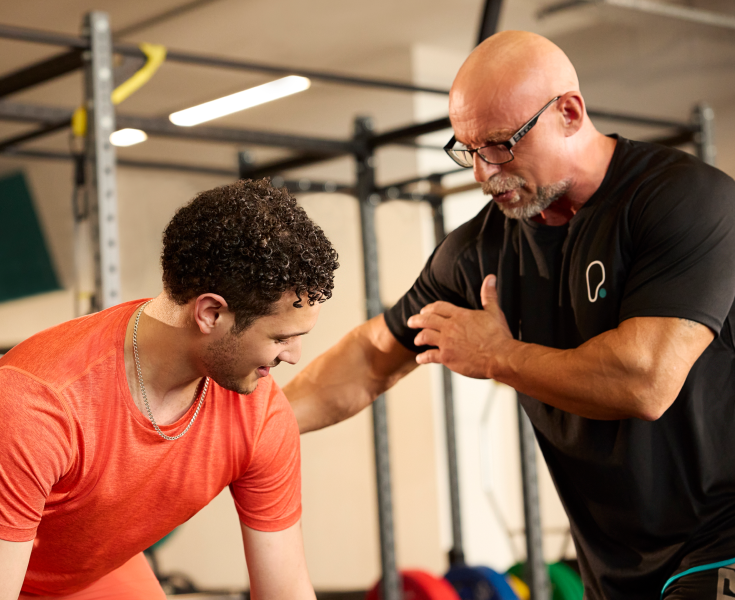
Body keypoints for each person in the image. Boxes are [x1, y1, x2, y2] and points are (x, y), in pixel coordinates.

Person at [285, 30, 735, 600]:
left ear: (569, 113)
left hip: (723, 537)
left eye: (500, 144)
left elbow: (643, 381)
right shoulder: (478, 252)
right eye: (468, 149)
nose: (481, 172)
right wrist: (254, 426)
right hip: (615, 562)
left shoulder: (682, 200)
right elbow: (375, 353)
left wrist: (499, 355)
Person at [0, 179, 339, 600]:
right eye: (281, 338)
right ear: (210, 314)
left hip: (76, 557)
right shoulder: (40, 399)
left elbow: (286, 591)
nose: (294, 356)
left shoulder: (259, 412)